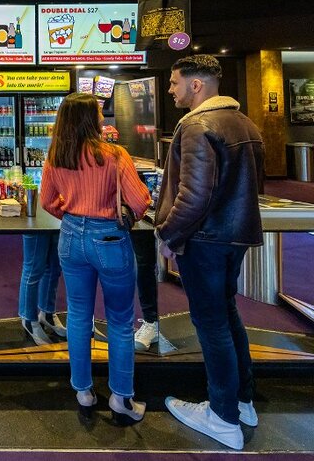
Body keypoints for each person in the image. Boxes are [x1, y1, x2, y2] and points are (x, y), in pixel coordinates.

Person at [155, 54, 264, 450]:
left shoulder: (197, 125)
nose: (171, 90)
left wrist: (168, 233)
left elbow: (194, 194)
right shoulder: (244, 122)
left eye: (174, 82)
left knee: (211, 323)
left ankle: (221, 416)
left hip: (204, 240)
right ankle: (241, 400)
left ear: (195, 85)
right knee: (228, 315)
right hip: (234, 237)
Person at [39, 93, 151, 424]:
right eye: (99, 113)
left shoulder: (56, 156)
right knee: (119, 320)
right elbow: (141, 200)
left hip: (71, 237)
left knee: (77, 315)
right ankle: (121, 398)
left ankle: (83, 392)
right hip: (110, 238)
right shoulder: (115, 154)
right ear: (90, 120)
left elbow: (47, 201)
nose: (103, 118)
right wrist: (123, 217)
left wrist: (73, 217)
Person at [19, 233, 65, 346]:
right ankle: (29, 320)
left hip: (57, 219)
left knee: (54, 267)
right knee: (33, 270)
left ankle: (47, 314)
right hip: (33, 220)